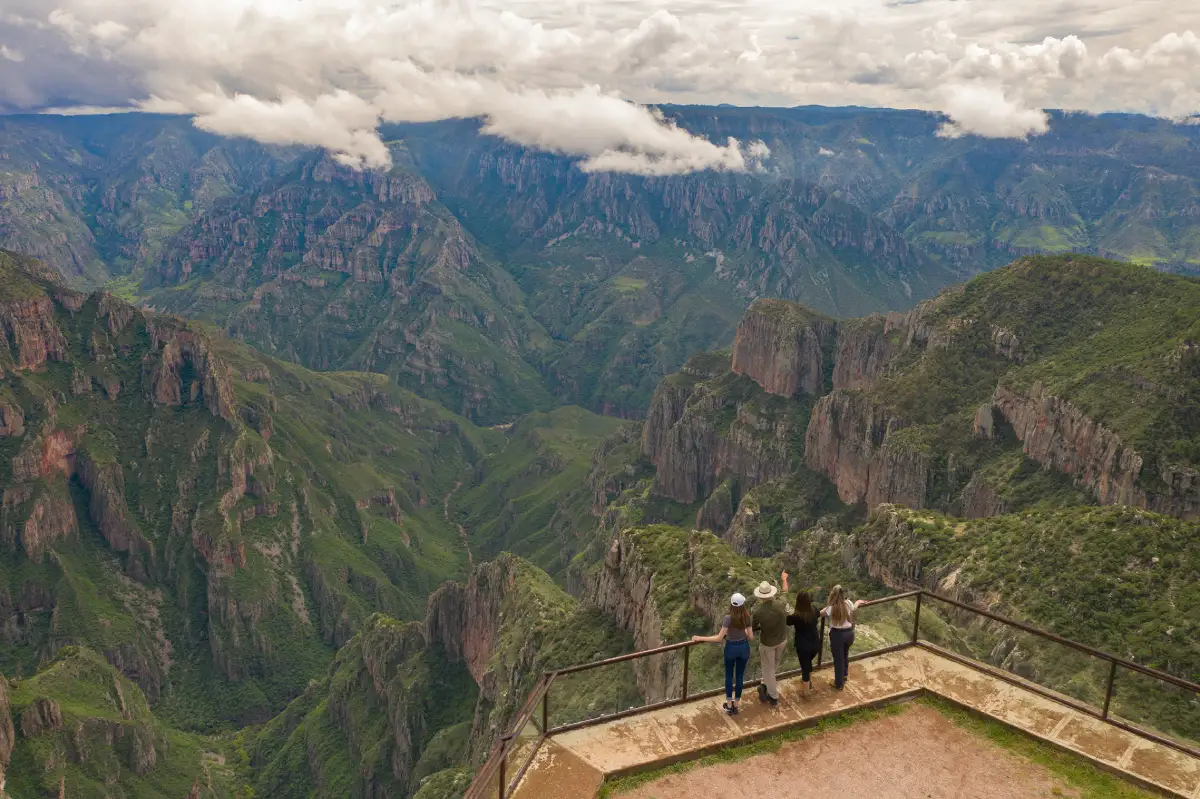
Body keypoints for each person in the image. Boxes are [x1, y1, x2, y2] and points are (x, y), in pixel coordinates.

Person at [692, 592, 754, 714]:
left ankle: (729, 705)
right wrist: (743, 631)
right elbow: (751, 637)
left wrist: (700, 638)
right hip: (743, 647)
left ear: (731, 604)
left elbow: (719, 638)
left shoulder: (728, 618)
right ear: (742, 604)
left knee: (729, 676)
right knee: (740, 676)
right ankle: (736, 704)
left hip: (731, 648)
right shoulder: (747, 617)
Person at [820, 585, 865, 690]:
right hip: (849, 634)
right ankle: (844, 675)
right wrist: (858, 602)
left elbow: (820, 613)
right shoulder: (848, 603)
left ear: (833, 595)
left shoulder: (831, 608)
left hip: (838, 636)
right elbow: (854, 608)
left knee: (838, 660)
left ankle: (839, 684)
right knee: (845, 655)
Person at [751, 579, 787, 706]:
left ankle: (773, 696)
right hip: (782, 640)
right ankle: (764, 684)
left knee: (768, 669)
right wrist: (784, 580)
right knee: (774, 665)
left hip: (768, 644)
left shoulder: (758, 613)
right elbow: (785, 593)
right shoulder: (781, 604)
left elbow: (753, 627)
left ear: (760, 596)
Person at [782, 572, 820, 692]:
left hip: (803, 646)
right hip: (816, 644)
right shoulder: (814, 610)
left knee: (805, 669)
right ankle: (808, 682)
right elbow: (820, 613)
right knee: (807, 664)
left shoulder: (796, 617)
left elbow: (787, 619)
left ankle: (806, 693)